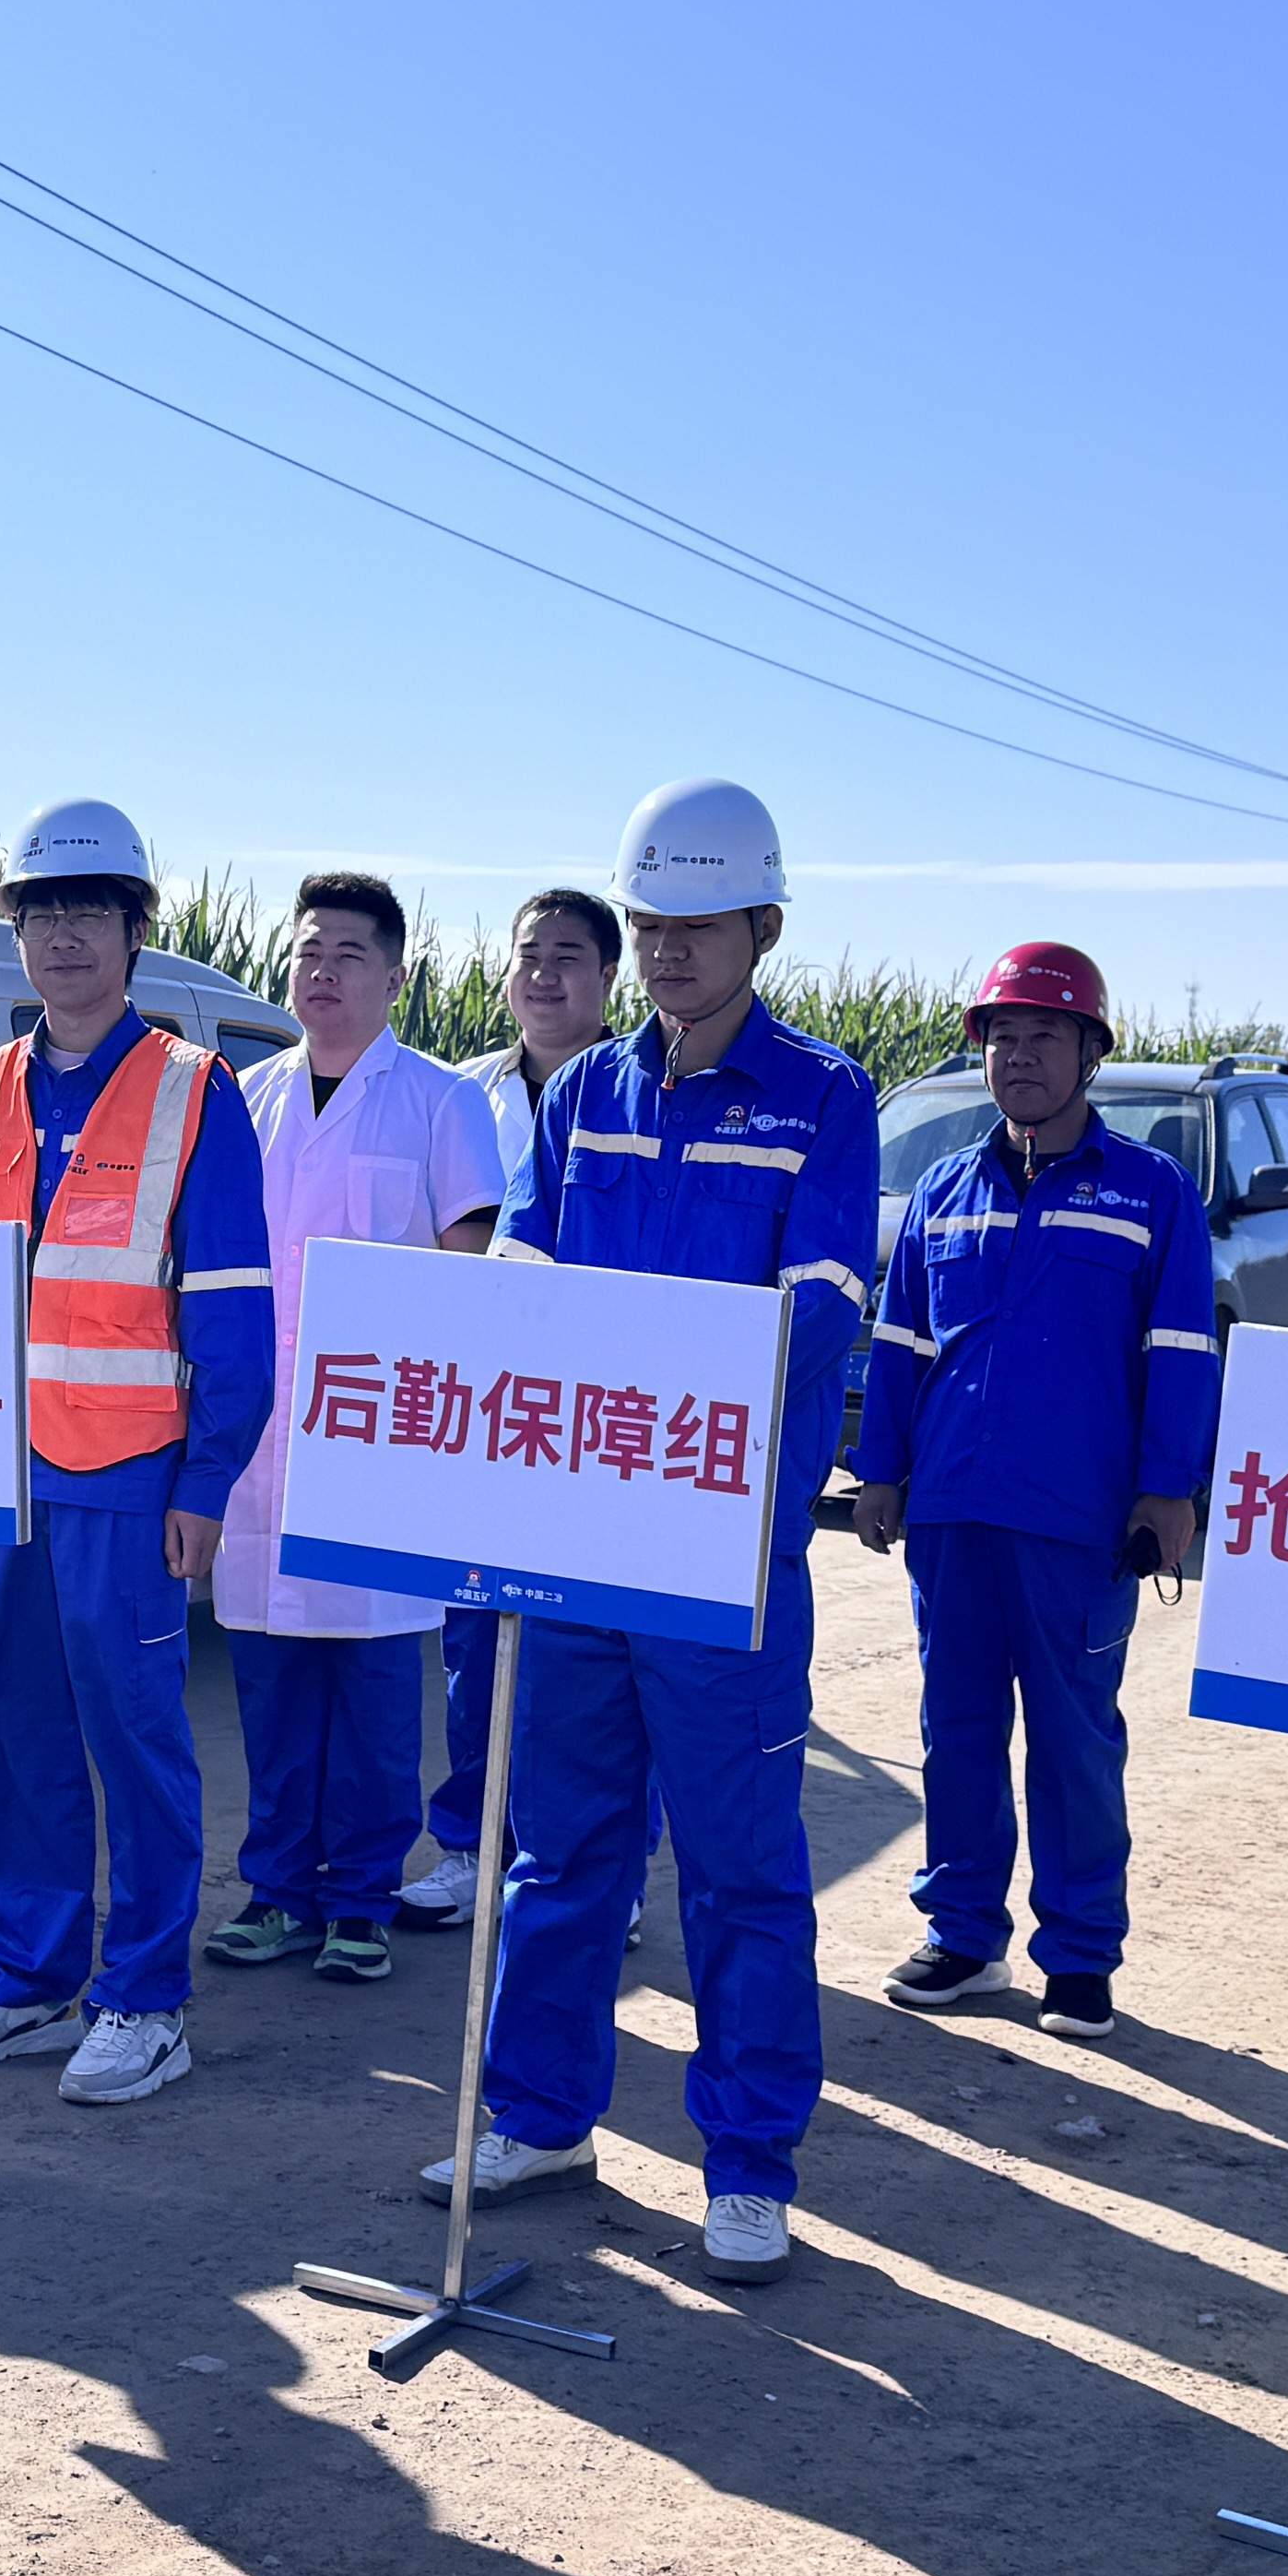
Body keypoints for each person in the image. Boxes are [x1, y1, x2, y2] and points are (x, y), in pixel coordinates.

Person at [430, 776, 877, 2284]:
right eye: (649, 925)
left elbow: (824, 1304)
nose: (670, 950)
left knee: (740, 1869)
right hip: (579, 1540)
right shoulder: (586, 1095)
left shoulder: (822, 1097)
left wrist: (682, 1377)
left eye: (698, 925)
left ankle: (748, 2164)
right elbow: (526, 1267)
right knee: (562, 1848)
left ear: (762, 929)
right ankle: (539, 2114)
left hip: (719, 1544)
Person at [0, 799, 277, 2107]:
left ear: (133, 934)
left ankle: (146, 1999)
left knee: (134, 1739)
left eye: (91, 914)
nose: (64, 937)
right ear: (16, 935)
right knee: (12, 1735)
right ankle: (26, 1978)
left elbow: (233, 1310)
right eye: (43, 913)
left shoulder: (192, 1090)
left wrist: (207, 1479)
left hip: (127, 1480)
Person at [849, 940, 1217, 2042]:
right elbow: (903, 1344)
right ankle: (964, 1935)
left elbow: (1180, 1351)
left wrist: (1167, 1492)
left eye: (1044, 1035)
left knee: (1073, 1742)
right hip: (954, 1509)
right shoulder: (943, 1190)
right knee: (956, 1729)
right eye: (1002, 1036)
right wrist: (881, 1470)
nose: (1018, 1055)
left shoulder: (1152, 1193)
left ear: (1091, 1053)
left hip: (1079, 1518)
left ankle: (1080, 1955)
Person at [206, 873, 508, 1983]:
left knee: (375, 1684)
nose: (322, 972)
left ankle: (362, 1900)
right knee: (271, 1677)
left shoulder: (439, 1102)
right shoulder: (244, 1098)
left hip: (381, 1437)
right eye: (307, 952)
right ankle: (279, 1889)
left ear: (394, 976)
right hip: (260, 1438)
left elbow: (468, 1268)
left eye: (347, 954)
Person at [406, 888, 626, 1920]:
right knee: (475, 1645)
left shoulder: (643, 1096)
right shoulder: (460, 1095)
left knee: (596, 1662)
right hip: (481, 1417)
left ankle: (600, 1868)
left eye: (567, 957)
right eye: (528, 954)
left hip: (598, 1418)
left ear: (609, 978)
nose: (542, 975)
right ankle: (470, 1847)